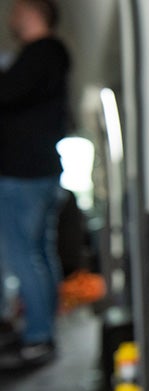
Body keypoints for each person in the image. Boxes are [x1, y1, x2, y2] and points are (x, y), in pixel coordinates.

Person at [0, 0, 70, 369]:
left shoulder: (40, 53)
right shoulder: (51, 56)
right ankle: (41, 331)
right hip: (39, 172)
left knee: (22, 256)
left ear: (30, 12)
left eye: (15, 11)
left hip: (21, 174)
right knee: (39, 255)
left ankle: (37, 336)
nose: (11, 18)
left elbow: (6, 93)